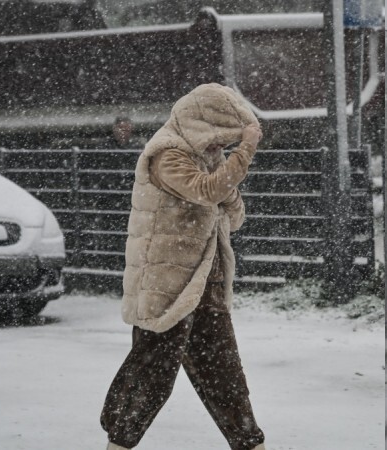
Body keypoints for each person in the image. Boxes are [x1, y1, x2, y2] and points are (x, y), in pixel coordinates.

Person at [100, 83, 265, 450]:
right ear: (200, 126)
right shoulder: (167, 155)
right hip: (168, 287)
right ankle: (118, 444)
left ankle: (252, 444)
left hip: (203, 283)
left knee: (225, 376)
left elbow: (234, 215)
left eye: (227, 142)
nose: (219, 148)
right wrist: (245, 151)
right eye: (218, 139)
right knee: (151, 375)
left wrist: (226, 176)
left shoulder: (205, 159)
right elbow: (206, 192)